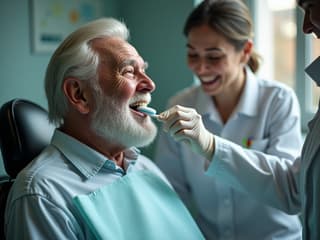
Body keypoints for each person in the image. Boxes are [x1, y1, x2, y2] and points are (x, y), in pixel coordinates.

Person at [4, 18, 204, 240]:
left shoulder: (145, 167)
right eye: (129, 71)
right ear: (79, 94)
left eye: (144, 70)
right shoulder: (42, 196)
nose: (149, 84)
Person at [156, 0, 320, 239]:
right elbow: (171, 194)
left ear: (244, 51)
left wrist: (212, 147)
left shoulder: (277, 100)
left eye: (214, 57)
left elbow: (290, 190)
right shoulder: (179, 106)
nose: (201, 68)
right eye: (192, 54)